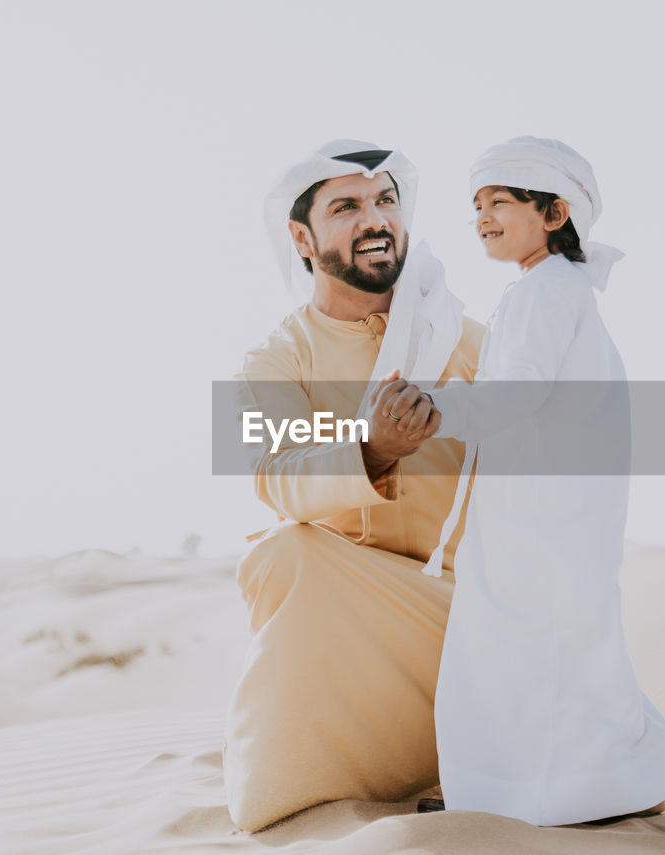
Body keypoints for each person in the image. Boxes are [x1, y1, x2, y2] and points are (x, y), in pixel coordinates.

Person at [400, 137, 665, 825]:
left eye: (500, 201)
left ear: (556, 211)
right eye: (476, 206)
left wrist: (430, 404)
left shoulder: (546, 293)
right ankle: (612, 777)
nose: (482, 218)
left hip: (540, 516)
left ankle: (505, 790)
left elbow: (519, 394)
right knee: (566, 643)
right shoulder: (548, 292)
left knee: (515, 646)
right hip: (548, 510)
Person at [222, 140, 484, 832]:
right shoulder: (274, 361)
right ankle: (309, 795)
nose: (375, 219)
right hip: (348, 616)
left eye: (385, 201)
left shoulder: (470, 343)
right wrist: (370, 451)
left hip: (468, 618)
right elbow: (274, 479)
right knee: (283, 554)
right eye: (347, 207)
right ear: (302, 238)